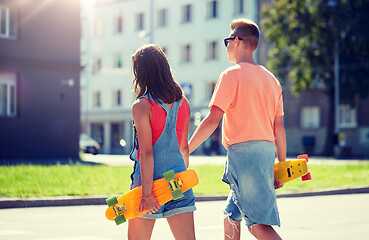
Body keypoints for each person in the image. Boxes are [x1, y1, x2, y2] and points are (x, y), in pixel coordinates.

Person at [189, 19, 286, 240]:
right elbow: (279, 128)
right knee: (231, 215)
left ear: (238, 41)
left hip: (245, 156)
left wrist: (186, 149)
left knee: (256, 224)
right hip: (265, 154)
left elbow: (213, 119)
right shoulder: (272, 80)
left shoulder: (231, 75)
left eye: (228, 41)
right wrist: (280, 164)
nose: (226, 46)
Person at [128, 44, 196, 240]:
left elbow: (147, 153)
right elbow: (184, 148)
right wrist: (180, 180)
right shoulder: (183, 103)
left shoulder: (142, 105)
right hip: (178, 182)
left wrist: (147, 195)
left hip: (148, 185)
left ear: (142, 71)